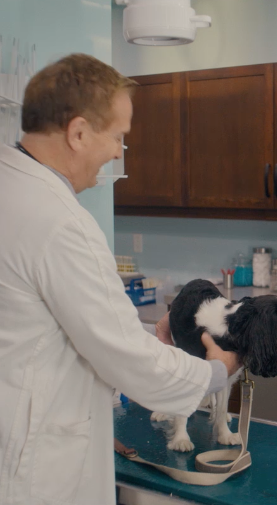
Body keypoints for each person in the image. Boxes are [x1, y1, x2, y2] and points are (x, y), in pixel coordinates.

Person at [0, 54, 239, 505]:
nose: (117, 152)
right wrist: (215, 370)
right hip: (34, 471)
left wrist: (150, 333)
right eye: (117, 137)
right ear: (78, 132)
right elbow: (130, 361)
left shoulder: (10, 185)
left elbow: (48, 330)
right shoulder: (60, 223)